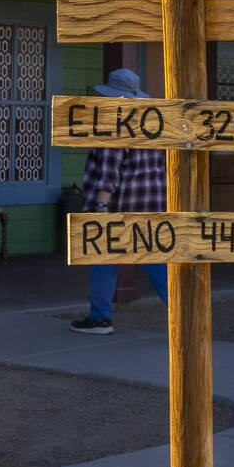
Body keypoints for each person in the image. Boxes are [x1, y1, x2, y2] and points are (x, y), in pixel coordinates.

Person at [70, 68, 169, 335]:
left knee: (104, 258)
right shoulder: (152, 122)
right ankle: (185, 314)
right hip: (153, 199)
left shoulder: (114, 122)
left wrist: (101, 204)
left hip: (119, 203)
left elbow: (108, 168)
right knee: (156, 258)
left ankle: (100, 318)